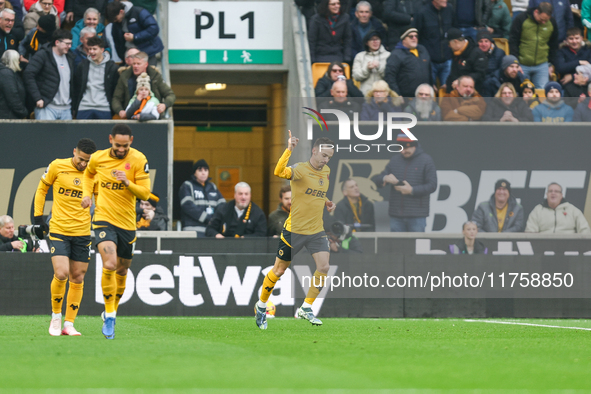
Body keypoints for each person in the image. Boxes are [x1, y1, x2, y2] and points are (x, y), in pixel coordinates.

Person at [254, 133, 336, 329]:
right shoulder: (299, 169)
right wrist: (289, 149)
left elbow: (317, 191)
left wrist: (326, 202)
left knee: (324, 267)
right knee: (279, 270)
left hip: (316, 230)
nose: (326, 160)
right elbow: (278, 171)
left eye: (329, 158)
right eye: (324, 156)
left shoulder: (326, 172)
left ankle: (306, 308)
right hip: (295, 230)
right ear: (314, 151)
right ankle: (262, 305)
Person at [81, 124, 155, 340]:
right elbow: (88, 175)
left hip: (127, 224)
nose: (121, 149)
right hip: (104, 219)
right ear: (110, 139)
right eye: (117, 145)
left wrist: (127, 182)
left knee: (122, 270)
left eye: (125, 146)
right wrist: (87, 195)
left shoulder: (139, 160)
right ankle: (110, 315)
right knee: (110, 264)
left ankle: (111, 309)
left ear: (131, 140)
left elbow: (145, 193)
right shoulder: (98, 158)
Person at [34, 138, 97, 336]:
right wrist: (38, 218)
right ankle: (55, 317)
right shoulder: (57, 165)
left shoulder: (94, 174)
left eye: (87, 160)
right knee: (61, 273)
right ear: (74, 152)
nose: (83, 164)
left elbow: (103, 198)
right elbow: (42, 188)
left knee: (77, 277)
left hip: (83, 232)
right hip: (59, 229)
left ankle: (69, 324)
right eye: (81, 159)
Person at [372, 134, 437, 232]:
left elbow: (432, 185)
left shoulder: (426, 160)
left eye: (406, 148)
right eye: (400, 148)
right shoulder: (395, 160)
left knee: (417, 246)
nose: (403, 151)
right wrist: (385, 178)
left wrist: (412, 190)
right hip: (396, 215)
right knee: (397, 246)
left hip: (417, 216)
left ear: (414, 145)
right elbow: (377, 179)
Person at [23, 29, 74, 120]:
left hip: (66, 108)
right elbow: (28, 74)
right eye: (67, 44)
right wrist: (37, 98)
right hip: (47, 107)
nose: (69, 46)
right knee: (44, 134)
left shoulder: (70, 57)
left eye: (70, 44)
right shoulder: (43, 55)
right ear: (57, 42)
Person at [111, 52, 176, 119]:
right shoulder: (124, 77)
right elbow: (116, 98)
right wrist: (120, 111)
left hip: (152, 118)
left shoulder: (155, 77)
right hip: (130, 117)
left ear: (146, 64)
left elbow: (170, 95)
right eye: (134, 64)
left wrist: (164, 105)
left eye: (138, 64)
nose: (135, 66)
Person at [509, 2, 559, 89]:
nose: (543, 22)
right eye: (541, 19)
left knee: (543, 93)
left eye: (546, 20)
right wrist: (516, 63)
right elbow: (513, 41)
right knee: (522, 92)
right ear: (536, 12)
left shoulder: (552, 22)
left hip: (542, 65)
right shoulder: (521, 19)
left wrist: (551, 64)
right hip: (522, 64)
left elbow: (553, 44)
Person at [72, 36, 118, 119]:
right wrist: (75, 107)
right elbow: (76, 87)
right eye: (89, 49)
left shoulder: (112, 67)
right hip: (84, 107)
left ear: (102, 50)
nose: (91, 52)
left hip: (104, 108)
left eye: (94, 49)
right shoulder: (82, 65)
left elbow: (115, 89)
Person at [105, 0, 163, 66]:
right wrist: (122, 57)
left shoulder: (139, 12)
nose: (115, 21)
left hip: (147, 53)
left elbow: (154, 29)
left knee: (150, 75)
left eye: (115, 19)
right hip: (129, 56)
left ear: (121, 12)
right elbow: (117, 43)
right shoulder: (115, 23)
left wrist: (135, 37)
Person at [179, 159, 225, 237]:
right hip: (192, 231)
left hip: (211, 231)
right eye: (200, 170)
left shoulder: (213, 187)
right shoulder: (187, 185)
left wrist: (215, 220)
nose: (203, 173)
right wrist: (206, 218)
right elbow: (187, 205)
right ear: (194, 172)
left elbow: (222, 205)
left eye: (206, 170)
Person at [413, 0, 454, 89]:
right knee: (429, 92)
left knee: (448, 94)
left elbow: (454, 29)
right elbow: (415, 35)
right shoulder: (422, 12)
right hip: (429, 61)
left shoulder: (449, 9)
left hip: (447, 59)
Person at [525, 182, 590, 233]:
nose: (553, 193)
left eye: (556, 191)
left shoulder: (573, 210)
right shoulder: (537, 210)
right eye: (550, 191)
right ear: (546, 194)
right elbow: (530, 232)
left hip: (569, 247)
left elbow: (585, 231)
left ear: (561, 195)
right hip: (543, 247)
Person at [384, 27, 431, 98]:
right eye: (411, 36)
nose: (414, 38)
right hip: (406, 97)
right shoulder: (396, 54)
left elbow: (429, 69)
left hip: (424, 95)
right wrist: (397, 94)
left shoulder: (422, 49)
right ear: (404, 39)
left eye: (416, 36)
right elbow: (390, 76)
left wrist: (431, 85)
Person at [445, 28, 488, 94]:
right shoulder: (456, 53)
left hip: (472, 93)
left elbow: (480, 74)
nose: (448, 46)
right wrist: (448, 84)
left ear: (456, 41)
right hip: (456, 92)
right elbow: (453, 73)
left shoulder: (477, 53)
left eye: (449, 43)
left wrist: (461, 82)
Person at [555, 27, 591, 98]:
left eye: (577, 38)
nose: (574, 41)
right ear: (567, 40)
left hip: (586, 84)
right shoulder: (561, 51)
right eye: (571, 39)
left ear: (581, 38)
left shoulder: (588, 50)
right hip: (567, 85)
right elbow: (560, 67)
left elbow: (589, 68)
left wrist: (572, 76)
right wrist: (579, 62)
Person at [351, 30, 390, 95]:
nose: (375, 42)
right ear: (366, 43)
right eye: (372, 39)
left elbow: (390, 76)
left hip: (383, 94)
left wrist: (379, 67)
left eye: (377, 39)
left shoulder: (388, 55)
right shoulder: (359, 56)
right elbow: (356, 77)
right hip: (365, 93)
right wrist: (367, 69)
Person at [0, 49, 27, 119]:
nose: (19, 62)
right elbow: (12, 96)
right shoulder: (6, 74)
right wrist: (23, 112)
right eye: (18, 60)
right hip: (7, 117)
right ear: (13, 61)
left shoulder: (7, 73)